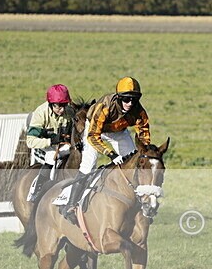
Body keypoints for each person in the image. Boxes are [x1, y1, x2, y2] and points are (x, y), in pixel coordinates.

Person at [63, 76, 151, 223]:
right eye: (126, 99)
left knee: (133, 162)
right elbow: (92, 136)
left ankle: (141, 203)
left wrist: (145, 152)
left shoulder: (139, 111)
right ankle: (71, 205)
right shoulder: (104, 106)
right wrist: (110, 154)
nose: (130, 103)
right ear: (118, 97)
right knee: (89, 164)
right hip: (95, 130)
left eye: (134, 100)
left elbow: (143, 134)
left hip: (119, 132)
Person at [25, 84, 74, 201]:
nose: (62, 110)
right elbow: (30, 141)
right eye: (58, 107)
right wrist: (51, 141)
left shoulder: (69, 111)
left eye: (64, 105)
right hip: (46, 145)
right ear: (51, 104)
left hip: (64, 145)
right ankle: (38, 188)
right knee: (52, 156)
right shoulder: (40, 113)